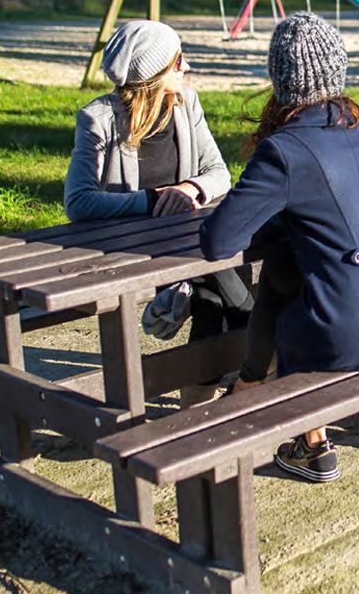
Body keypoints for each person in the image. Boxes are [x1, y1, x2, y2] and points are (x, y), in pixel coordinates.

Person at [199, 12, 359, 482]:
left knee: (288, 283)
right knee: (290, 267)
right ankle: (309, 441)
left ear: (280, 80)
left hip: (342, 338)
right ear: (338, 69)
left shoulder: (284, 151)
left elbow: (218, 242)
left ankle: (247, 391)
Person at [64, 20, 253, 400]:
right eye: (178, 60)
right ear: (152, 74)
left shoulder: (186, 104)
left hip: (187, 239)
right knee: (238, 303)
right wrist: (152, 200)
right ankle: (256, 375)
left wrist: (190, 189)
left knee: (213, 301)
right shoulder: (98, 119)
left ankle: (197, 409)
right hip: (135, 249)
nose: (186, 67)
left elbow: (219, 174)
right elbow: (78, 201)